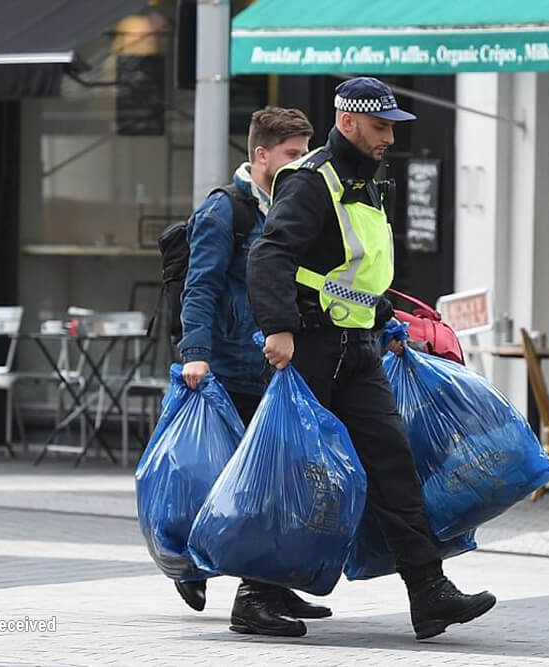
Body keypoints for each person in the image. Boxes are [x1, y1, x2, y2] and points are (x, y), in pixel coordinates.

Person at [247, 77, 496, 640]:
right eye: (381, 126)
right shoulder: (313, 182)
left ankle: (429, 593)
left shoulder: (366, 181)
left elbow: (353, 276)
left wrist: (386, 323)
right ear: (348, 122)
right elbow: (269, 255)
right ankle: (255, 595)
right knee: (294, 475)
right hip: (306, 348)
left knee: (393, 465)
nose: (390, 137)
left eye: (392, 127)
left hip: (356, 348)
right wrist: (279, 328)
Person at [175, 106, 329, 637]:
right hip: (231, 367)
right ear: (261, 155)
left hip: (275, 366)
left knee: (274, 478)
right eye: (292, 155)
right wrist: (195, 353)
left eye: (306, 154)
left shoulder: (290, 206)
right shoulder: (227, 211)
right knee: (247, 483)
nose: (301, 163)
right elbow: (201, 287)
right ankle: (230, 582)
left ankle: (268, 584)